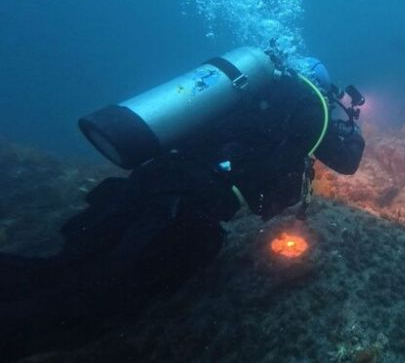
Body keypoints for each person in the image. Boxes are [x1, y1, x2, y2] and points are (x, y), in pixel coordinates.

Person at [0, 47, 365, 360]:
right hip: (187, 206)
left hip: (151, 179)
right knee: (95, 303)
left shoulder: (243, 90)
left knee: (64, 266)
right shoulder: (310, 103)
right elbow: (347, 161)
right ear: (323, 86)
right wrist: (349, 119)